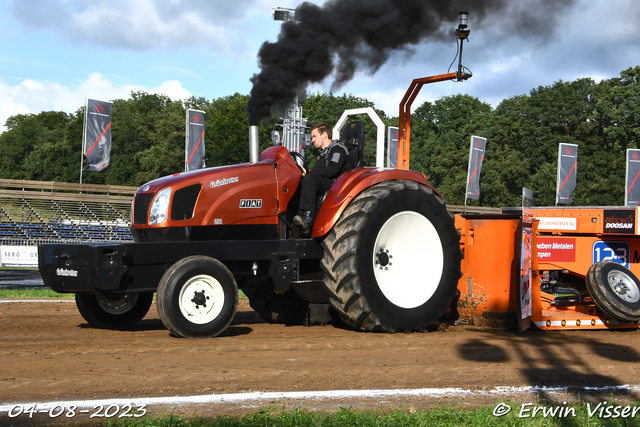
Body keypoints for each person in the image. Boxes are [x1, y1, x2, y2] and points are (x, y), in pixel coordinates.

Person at [293, 122, 348, 236]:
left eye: (314, 136)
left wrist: (311, 174)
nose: (312, 140)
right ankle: (295, 222)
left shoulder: (338, 149)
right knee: (300, 182)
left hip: (336, 184)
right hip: (325, 181)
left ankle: (308, 218)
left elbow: (333, 170)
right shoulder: (324, 153)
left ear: (324, 135)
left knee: (309, 179)